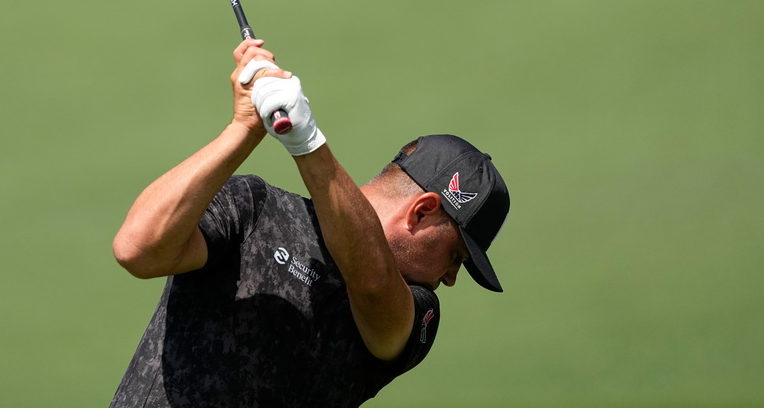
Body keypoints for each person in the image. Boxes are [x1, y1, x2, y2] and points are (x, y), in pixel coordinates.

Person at [110, 39, 510, 407]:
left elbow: (371, 282)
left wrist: (308, 143)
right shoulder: (254, 209)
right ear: (421, 211)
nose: (452, 277)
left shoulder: (418, 311)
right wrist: (244, 129)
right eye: (456, 255)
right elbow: (137, 249)